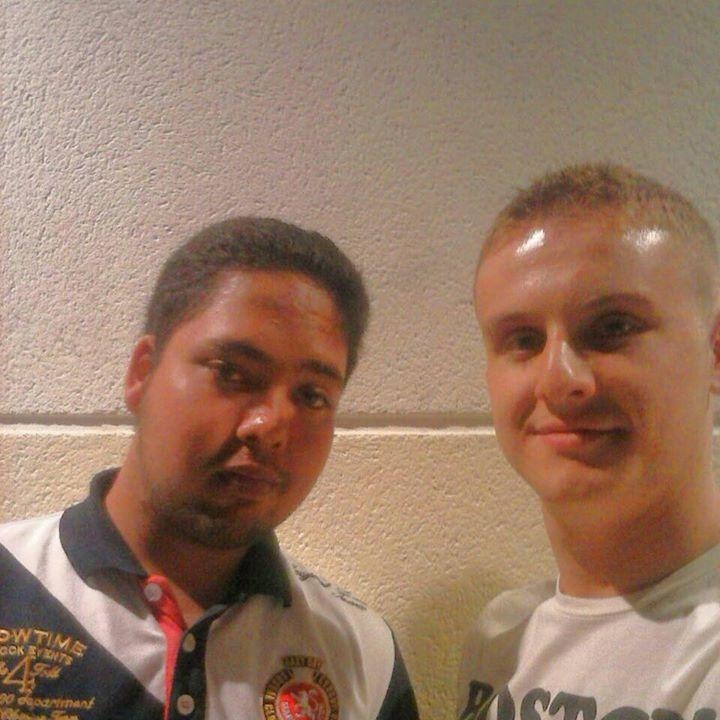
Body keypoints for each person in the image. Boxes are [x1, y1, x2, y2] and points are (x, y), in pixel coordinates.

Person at [0, 217, 419, 720]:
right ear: (142, 373)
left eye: (312, 395)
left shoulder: (363, 657)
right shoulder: (14, 578)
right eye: (233, 373)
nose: (270, 426)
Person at [458, 163, 720, 720]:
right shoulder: (498, 640)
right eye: (522, 339)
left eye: (613, 327)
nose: (558, 379)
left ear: (715, 353)